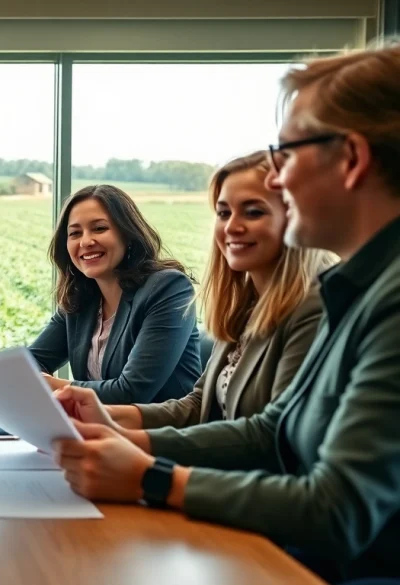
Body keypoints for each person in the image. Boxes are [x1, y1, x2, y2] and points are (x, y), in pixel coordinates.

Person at [55, 41, 400, 582]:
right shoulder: (358, 288)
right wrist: (132, 443)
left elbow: (337, 510)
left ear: (352, 159)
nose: (278, 179)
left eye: (286, 156)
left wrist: (151, 478)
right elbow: (269, 429)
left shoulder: (384, 299)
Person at [94, 152, 334, 429]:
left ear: (295, 217)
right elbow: (200, 405)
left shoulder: (315, 309)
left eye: (253, 211)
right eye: (223, 213)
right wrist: (100, 416)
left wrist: (136, 447)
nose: (232, 226)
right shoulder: (245, 307)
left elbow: (270, 436)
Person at [29, 184, 201, 405]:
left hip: (159, 435)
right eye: (75, 233)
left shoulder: (168, 287)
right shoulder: (80, 298)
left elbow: (131, 391)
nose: (85, 241)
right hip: (99, 431)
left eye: (99, 229)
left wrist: (50, 385)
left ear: (127, 234)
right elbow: (31, 361)